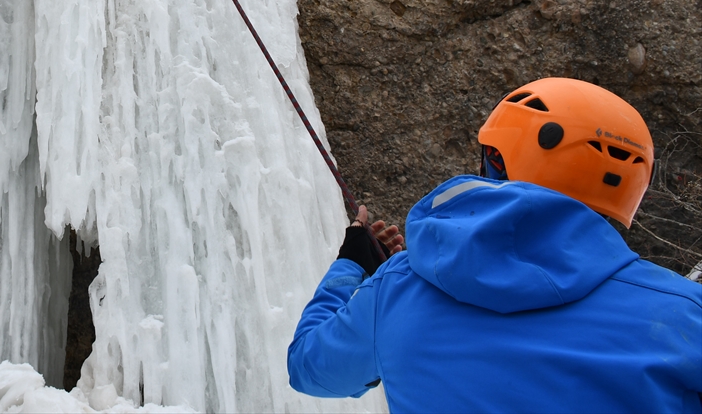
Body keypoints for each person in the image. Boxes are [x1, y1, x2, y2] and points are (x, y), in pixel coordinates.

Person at [287, 77, 702, 413]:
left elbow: (309, 366)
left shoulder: (398, 288)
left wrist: (352, 267)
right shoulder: (687, 314)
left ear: (498, 164)